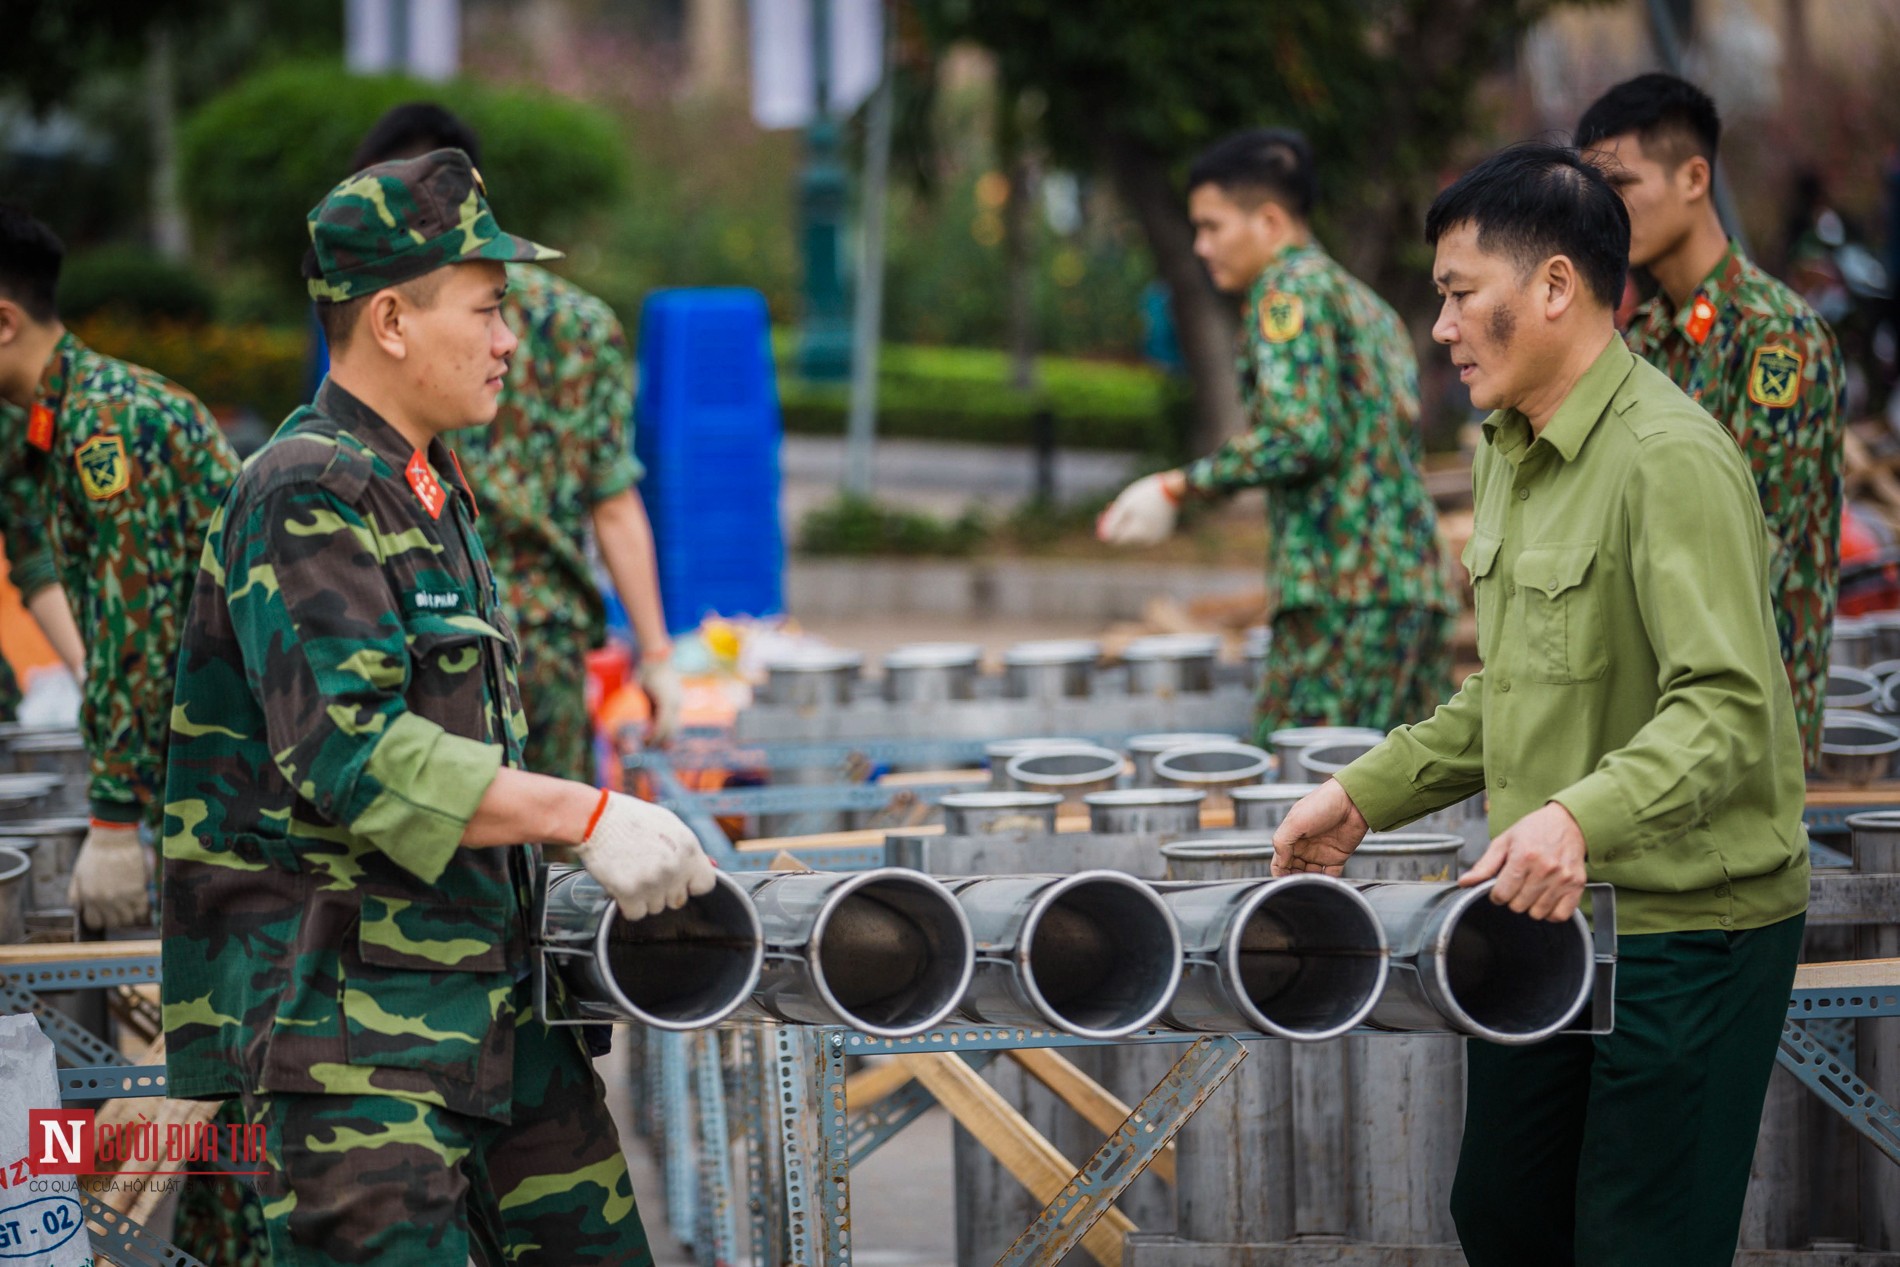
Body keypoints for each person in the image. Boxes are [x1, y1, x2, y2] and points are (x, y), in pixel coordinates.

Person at [160, 148, 715, 1265]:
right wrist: (588, 815)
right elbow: (355, 755)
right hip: (351, 1045)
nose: (511, 338)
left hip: (495, 1018)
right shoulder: (306, 485)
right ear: (392, 322)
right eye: (490, 308)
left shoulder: (424, 482)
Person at [1272, 142, 1808, 1267]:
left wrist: (1576, 817)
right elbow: (1514, 689)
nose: (1442, 326)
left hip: (1682, 930)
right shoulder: (1512, 448)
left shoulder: (1669, 459)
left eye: (1461, 293)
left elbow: (1726, 707)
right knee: (1504, 1214)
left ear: (1555, 285)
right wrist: (1362, 797)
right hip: (1546, 919)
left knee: (1638, 1242)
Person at [341, 103, 681, 783]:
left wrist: (658, 656)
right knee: (549, 866)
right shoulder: (578, 322)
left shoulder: (384, 319)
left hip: (433, 640)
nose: (504, 343)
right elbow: (612, 503)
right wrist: (656, 655)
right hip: (523, 650)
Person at [1096, 128, 1453, 743]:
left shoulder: (1285, 294)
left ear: (1267, 221)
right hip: (1414, 591)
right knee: (1404, 801)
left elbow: (1301, 435)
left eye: (1211, 226)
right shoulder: (1366, 304)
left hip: (1339, 598)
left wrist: (1181, 487)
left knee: (1298, 796)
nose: (1202, 247)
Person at [1577, 73, 1844, 768]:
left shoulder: (1776, 335)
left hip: (1748, 717)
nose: (1608, 212)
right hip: (1658, 714)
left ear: (1694, 178)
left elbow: (1755, 534)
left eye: (1624, 188)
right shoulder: (1648, 332)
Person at [0, 204, 239, 930]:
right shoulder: (56, 415)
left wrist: (110, 818)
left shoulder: (102, 424)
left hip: (231, 759)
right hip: (202, 750)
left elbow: (137, 626)